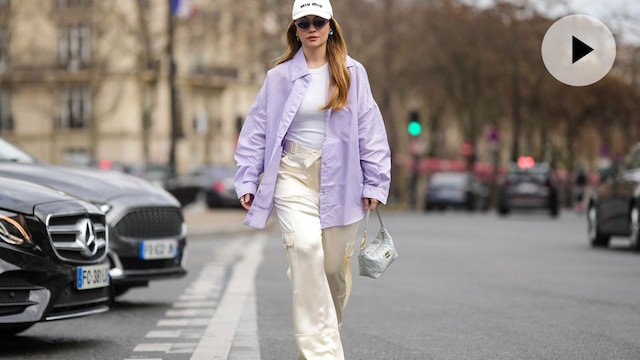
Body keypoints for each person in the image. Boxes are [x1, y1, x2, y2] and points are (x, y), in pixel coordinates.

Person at [233, 0, 391, 358]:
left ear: (331, 25)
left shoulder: (353, 73)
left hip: (342, 179)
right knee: (306, 249)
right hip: (293, 175)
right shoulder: (279, 77)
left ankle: (323, 326)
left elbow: (371, 129)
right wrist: (247, 179)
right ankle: (323, 353)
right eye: (303, 23)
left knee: (333, 268)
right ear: (295, 30)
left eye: (318, 21)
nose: (312, 28)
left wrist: (375, 182)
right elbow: (255, 130)